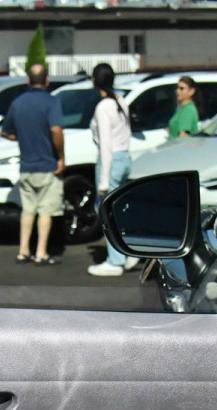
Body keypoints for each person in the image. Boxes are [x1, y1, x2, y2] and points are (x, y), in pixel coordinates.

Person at [1, 64, 65, 265]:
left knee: (27, 210)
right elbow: (56, 130)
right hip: (47, 164)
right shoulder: (52, 102)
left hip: (26, 165)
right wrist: (61, 157)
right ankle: (41, 252)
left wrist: (19, 137)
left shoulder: (18, 102)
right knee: (45, 210)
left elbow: (5, 131)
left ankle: (23, 250)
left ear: (28, 81)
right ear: (47, 80)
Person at [87, 62, 137, 278]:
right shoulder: (120, 100)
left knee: (107, 211)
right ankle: (131, 249)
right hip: (124, 157)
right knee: (120, 210)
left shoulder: (103, 107)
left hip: (111, 160)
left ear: (94, 81)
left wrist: (104, 180)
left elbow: (105, 144)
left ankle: (116, 260)